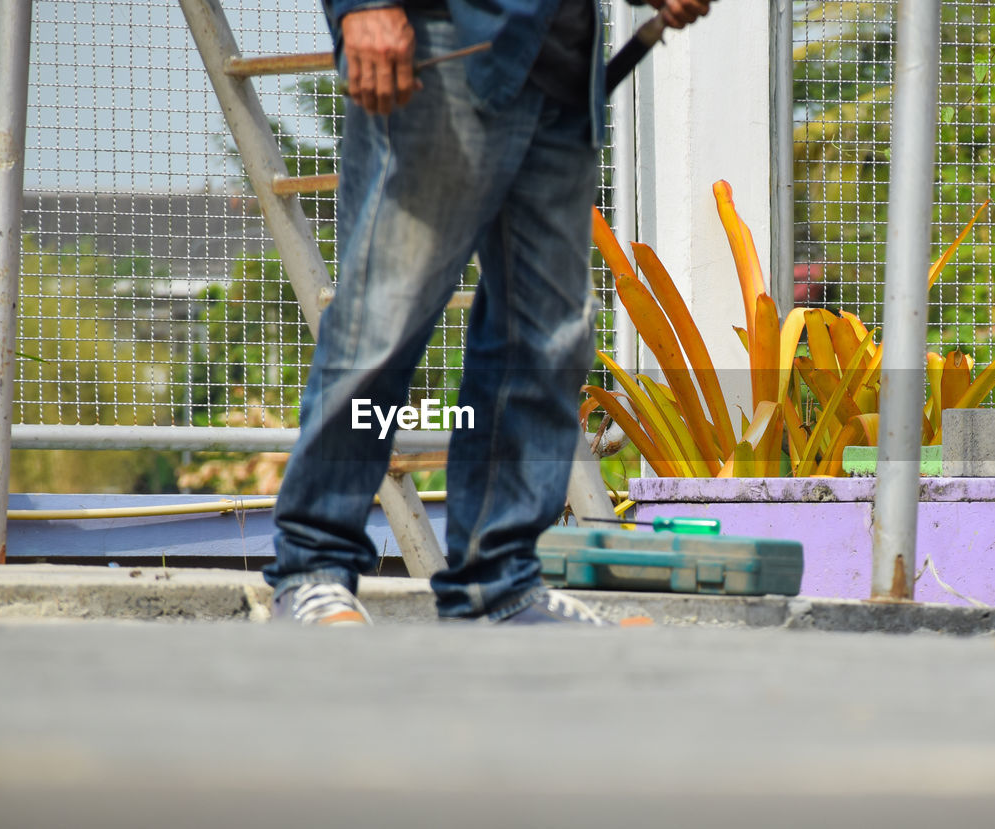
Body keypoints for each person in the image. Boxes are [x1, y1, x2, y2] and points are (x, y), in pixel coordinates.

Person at [265, 0, 711, 625]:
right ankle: (311, 567)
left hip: (561, 57)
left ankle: (498, 587)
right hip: (443, 44)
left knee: (546, 339)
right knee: (383, 321)